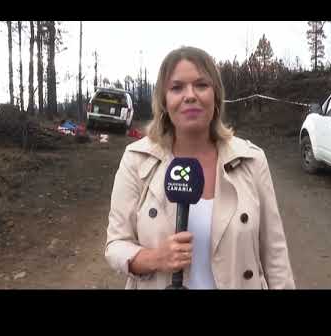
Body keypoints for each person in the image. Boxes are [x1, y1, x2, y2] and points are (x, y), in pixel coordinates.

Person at [104, 46, 295, 289]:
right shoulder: (136, 160)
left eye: (201, 85)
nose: (190, 95)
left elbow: (275, 255)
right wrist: (154, 259)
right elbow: (116, 245)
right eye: (176, 87)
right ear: (164, 100)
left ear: (215, 96)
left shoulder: (252, 160)